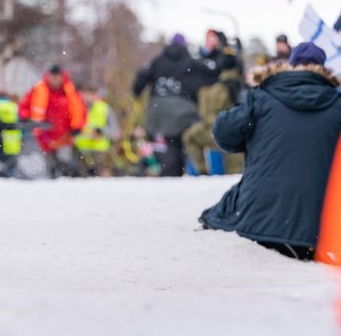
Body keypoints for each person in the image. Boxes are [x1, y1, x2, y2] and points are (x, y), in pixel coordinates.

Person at [200, 43, 341, 260]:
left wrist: (251, 141)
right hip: (320, 230)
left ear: (291, 66)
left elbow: (223, 133)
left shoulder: (261, 97)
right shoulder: (336, 104)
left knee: (228, 202)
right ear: (324, 70)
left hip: (259, 222)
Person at [132, 35, 217, 176]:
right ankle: (182, 170)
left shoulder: (158, 61)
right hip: (184, 108)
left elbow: (142, 76)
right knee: (185, 140)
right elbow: (212, 73)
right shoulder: (191, 62)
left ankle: (169, 171)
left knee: (167, 143)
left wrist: (137, 92)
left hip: (159, 109)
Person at [19, 65, 87, 178]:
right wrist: (25, 117)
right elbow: (24, 106)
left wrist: (78, 126)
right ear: (48, 76)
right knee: (49, 163)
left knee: (64, 160)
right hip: (44, 135)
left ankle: (66, 180)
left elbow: (80, 110)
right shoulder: (39, 90)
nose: (55, 79)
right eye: (53, 76)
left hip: (64, 136)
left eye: (57, 77)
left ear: (62, 77)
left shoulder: (70, 92)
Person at [183, 53, 244, 174]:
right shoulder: (241, 83)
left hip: (220, 131)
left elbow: (209, 116)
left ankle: (201, 172)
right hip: (238, 134)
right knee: (235, 173)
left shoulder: (219, 88)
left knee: (189, 137)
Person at [74, 88, 119, 176]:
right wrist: (76, 131)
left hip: (100, 154)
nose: (88, 98)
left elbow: (116, 132)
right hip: (79, 153)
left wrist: (101, 131)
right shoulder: (74, 108)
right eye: (85, 95)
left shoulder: (104, 108)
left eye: (91, 95)